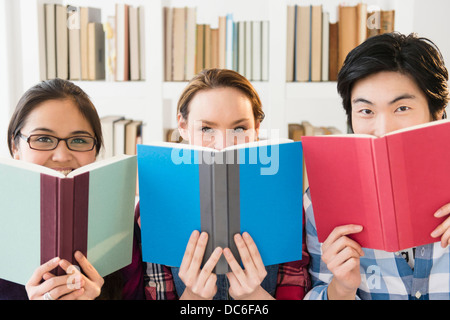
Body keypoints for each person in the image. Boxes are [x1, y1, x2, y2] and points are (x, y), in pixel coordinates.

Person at [141, 68, 310, 300]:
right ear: (182, 126)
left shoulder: (287, 203)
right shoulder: (152, 209)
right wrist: (194, 297)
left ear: (257, 128)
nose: (223, 146)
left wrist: (254, 296)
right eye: (206, 128)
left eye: (240, 129)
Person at [304, 32, 450, 300]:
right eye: (366, 111)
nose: (383, 129)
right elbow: (318, 289)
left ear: (437, 110)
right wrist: (341, 288)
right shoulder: (321, 202)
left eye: (402, 108)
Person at [2, 78, 145, 300]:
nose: (61, 156)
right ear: (15, 147)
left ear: (95, 150)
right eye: (43, 138)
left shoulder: (121, 230)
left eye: (79, 140)